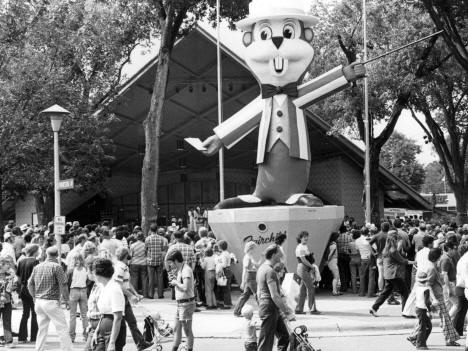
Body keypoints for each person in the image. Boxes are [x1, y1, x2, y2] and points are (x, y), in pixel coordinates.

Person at [27, 246, 73, 351]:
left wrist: (34, 296)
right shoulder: (57, 267)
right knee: (62, 328)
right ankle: (67, 349)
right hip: (51, 301)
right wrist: (67, 300)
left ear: (46, 254)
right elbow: (64, 285)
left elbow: (29, 284)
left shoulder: (37, 267)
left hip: (39, 301)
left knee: (42, 329)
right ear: (57, 255)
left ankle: (39, 349)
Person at [114, 247, 152, 351]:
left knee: (132, 322)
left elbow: (127, 282)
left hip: (124, 297)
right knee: (125, 323)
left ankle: (140, 343)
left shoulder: (123, 266)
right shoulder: (120, 267)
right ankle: (139, 343)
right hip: (121, 298)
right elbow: (118, 284)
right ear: (126, 255)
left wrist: (135, 293)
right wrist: (131, 295)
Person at [370, 231, 414, 316]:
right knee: (405, 292)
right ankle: (405, 312)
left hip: (387, 274)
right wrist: (414, 262)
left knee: (385, 293)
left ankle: (374, 308)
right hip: (394, 274)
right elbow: (403, 260)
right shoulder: (393, 250)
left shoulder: (385, 249)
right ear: (394, 240)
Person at [256, 244, 290, 351]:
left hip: (268, 306)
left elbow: (258, 292)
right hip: (270, 307)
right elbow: (274, 295)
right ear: (274, 254)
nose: (281, 256)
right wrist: (286, 310)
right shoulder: (270, 271)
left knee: (284, 336)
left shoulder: (262, 268)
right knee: (266, 341)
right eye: (280, 254)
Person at [92, 258, 126, 351]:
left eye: (94, 272)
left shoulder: (114, 288)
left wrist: (112, 342)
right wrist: (97, 332)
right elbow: (103, 314)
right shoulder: (103, 287)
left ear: (99, 273)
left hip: (113, 330)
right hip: (103, 328)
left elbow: (118, 317)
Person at [167, 250, 195, 351]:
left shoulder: (186, 270)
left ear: (175, 260)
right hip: (181, 304)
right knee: (176, 328)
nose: (170, 265)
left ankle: (189, 348)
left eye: (170, 262)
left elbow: (186, 287)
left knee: (187, 331)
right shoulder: (180, 269)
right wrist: (175, 279)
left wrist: (176, 282)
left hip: (186, 304)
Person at [16, 244, 39, 344]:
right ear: (35, 252)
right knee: (34, 313)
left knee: (25, 314)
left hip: (23, 289)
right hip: (32, 289)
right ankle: (34, 337)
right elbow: (36, 277)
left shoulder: (21, 261)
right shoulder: (35, 262)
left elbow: (18, 277)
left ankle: (22, 337)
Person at [295, 231, 320, 314]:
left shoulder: (303, 246)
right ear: (300, 238)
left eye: (307, 236)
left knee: (302, 290)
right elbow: (303, 260)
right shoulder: (301, 247)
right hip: (303, 268)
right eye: (304, 237)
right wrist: (312, 266)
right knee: (311, 288)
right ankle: (312, 309)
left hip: (303, 268)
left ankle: (299, 309)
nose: (306, 238)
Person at [234, 241, 260, 317]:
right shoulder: (248, 257)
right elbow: (245, 269)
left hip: (251, 276)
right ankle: (264, 310)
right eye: (254, 248)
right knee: (257, 294)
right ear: (251, 248)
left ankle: (237, 311)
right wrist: (243, 281)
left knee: (245, 295)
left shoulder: (249, 256)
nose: (255, 250)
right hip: (250, 277)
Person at [67, 254, 89, 343]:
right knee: (84, 315)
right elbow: (89, 280)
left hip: (73, 291)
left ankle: (72, 337)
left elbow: (67, 282)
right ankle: (86, 336)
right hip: (83, 290)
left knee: (72, 316)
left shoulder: (71, 270)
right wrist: (85, 285)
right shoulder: (86, 269)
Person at [413, 271, 435, 350]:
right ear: (427, 280)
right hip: (422, 310)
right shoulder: (426, 289)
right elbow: (427, 302)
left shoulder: (417, 288)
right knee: (424, 327)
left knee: (426, 326)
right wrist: (429, 311)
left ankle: (421, 341)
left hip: (418, 308)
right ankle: (420, 344)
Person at [146, 225, 168, 299]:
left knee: (151, 278)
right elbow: (163, 249)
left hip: (150, 260)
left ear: (150, 230)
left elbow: (146, 249)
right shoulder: (162, 239)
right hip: (159, 260)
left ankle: (150, 295)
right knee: (160, 278)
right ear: (157, 230)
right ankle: (160, 294)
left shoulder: (147, 239)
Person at [355, 227, 375, 297]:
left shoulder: (357, 240)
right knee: (371, 276)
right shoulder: (369, 239)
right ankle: (370, 293)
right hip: (370, 259)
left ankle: (361, 293)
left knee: (362, 276)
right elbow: (374, 249)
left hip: (362, 258)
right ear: (368, 233)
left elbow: (357, 250)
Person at [370, 221, 390, 292]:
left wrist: (373, 253)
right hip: (389, 257)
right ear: (389, 228)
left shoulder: (377, 235)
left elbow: (369, 244)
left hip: (379, 256)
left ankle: (380, 290)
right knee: (389, 275)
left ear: (381, 228)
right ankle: (388, 291)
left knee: (380, 274)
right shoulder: (390, 236)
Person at [0, 257, 15, 348]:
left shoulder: (9, 275)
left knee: (7, 321)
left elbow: (11, 288)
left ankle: (8, 341)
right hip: (3, 300)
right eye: (7, 265)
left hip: (7, 301)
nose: (9, 266)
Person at [216, 240, 234, 308]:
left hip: (224, 271)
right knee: (227, 288)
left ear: (220, 247)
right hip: (228, 271)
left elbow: (223, 264)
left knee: (224, 288)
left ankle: (226, 304)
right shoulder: (227, 253)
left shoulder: (223, 254)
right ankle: (228, 302)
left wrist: (218, 264)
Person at [129, 232, 148, 297]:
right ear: (143, 237)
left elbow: (130, 255)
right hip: (144, 263)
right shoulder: (145, 245)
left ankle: (135, 294)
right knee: (144, 278)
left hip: (134, 263)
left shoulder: (132, 245)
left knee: (134, 278)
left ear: (137, 237)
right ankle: (145, 294)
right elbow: (147, 254)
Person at [336, 226, 351, 292]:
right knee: (347, 270)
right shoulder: (349, 236)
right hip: (347, 255)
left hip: (340, 256)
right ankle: (348, 284)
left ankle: (343, 286)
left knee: (341, 271)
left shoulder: (338, 238)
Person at [327, 232, 341, 296]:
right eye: (338, 237)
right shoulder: (334, 244)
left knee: (336, 276)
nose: (339, 238)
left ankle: (335, 291)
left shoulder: (330, 243)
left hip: (332, 262)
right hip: (332, 261)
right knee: (336, 276)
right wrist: (328, 260)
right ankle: (334, 291)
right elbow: (331, 253)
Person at [348, 229, 361, 294]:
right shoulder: (359, 242)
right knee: (361, 275)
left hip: (352, 258)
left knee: (353, 275)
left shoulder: (350, 243)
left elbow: (349, 251)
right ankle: (361, 289)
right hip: (359, 258)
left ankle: (354, 290)